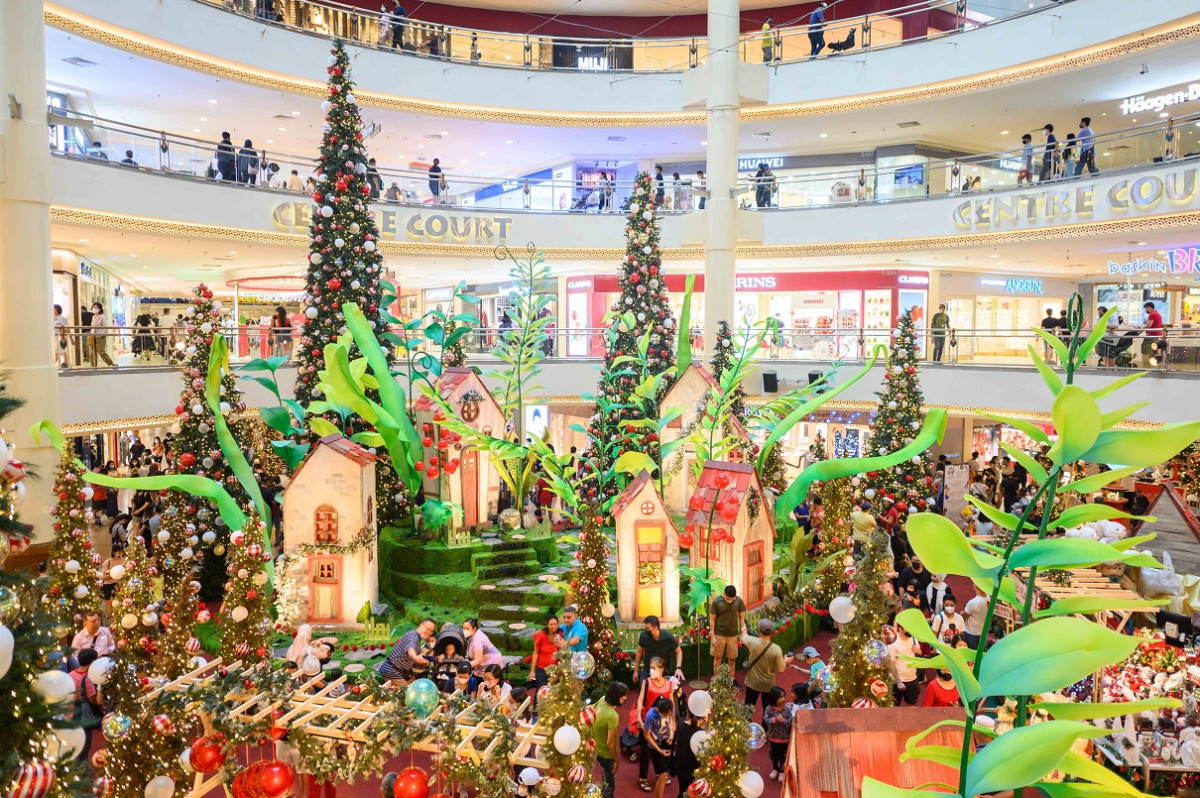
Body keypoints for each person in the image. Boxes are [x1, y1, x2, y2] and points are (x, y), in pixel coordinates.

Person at [633, 657, 677, 792]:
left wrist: (673, 723)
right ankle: (642, 778)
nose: (651, 671)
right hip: (648, 721)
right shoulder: (647, 682)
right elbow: (640, 700)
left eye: (654, 668)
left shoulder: (668, 685)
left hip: (663, 724)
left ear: (661, 670)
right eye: (650, 668)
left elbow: (671, 705)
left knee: (663, 747)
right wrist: (639, 718)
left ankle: (661, 772)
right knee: (645, 752)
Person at [741, 619, 792, 717]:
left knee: (748, 708)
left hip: (753, 682)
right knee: (767, 710)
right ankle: (765, 729)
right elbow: (781, 669)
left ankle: (746, 727)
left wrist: (743, 628)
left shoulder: (753, 642)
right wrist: (786, 661)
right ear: (771, 632)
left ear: (759, 631)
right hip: (768, 684)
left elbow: (744, 637)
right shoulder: (776, 649)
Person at [593, 681, 629, 798]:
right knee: (609, 787)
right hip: (606, 755)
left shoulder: (603, 699)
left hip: (596, 748)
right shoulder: (612, 716)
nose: (625, 699)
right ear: (616, 698)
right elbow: (611, 742)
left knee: (605, 778)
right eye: (623, 698)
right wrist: (616, 760)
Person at [378, 618, 435, 683]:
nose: (429, 632)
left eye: (431, 631)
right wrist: (416, 657)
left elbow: (408, 658)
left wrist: (410, 673)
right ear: (421, 625)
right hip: (393, 672)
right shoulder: (413, 637)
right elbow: (410, 649)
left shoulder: (416, 636)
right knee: (406, 692)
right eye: (427, 629)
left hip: (399, 672)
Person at [709, 585, 747, 676]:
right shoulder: (716, 602)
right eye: (729, 599)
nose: (731, 601)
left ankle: (731, 680)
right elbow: (712, 620)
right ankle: (716, 680)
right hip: (719, 634)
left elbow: (742, 619)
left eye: (733, 599)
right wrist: (713, 636)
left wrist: (743, 631)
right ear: (724, 594)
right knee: (717, 658)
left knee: (732, 659)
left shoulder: (739, 601)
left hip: (733, 635)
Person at [642, 696, 675, 798]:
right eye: (666, 714)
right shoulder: (651, 716)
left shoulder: (669, 709)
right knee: (662, 775)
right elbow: (646, 735)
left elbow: (671, 720)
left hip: (666, 742)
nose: (669, 715)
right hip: (655, 746)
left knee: (663, 775)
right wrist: (659, 750)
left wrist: (671, 734)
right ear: (660, 711)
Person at [634, 616, 683, 682]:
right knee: (644, 689)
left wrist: (678, 668)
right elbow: (639, 651)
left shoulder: (667, 637)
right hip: (648, 671)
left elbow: (678, 651)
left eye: (648, 629)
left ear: (656, 627)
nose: (646, 631)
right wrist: (636, 671)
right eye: (645, 628)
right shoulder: (644, 636)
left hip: (663, 672)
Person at [762, 687, 795, 781]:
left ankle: (781, 770)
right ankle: (775, 768)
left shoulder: (786, 709)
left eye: (784, 696)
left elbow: (791, 721)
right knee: (774, 754)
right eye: (780, 697)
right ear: (774, 698)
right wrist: (775, 719)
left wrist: (783, 720)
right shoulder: (769, 709)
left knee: (783, 755)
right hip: (773, 737)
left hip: (784, 738)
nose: (783, 699)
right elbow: (766, 720)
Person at [463, 618, 503, 689]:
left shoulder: (477, 640)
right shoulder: (473, 636)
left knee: (483, 684)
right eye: (463, 628)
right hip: (482, 664)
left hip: (490, 663)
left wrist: (464, 666)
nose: (465, 630)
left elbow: (477, 660)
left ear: (474, 628)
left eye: (467, 628)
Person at [888, 625, 921, 705]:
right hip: (897, 681)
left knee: (911, 705)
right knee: (893, 707)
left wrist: (918, 651)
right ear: (900, 628)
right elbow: (891, 663)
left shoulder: (913, 638)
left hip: (912, 679)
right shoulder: (893, 642)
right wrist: (898, 682)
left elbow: (919, 652)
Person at [527, 615, 561, 689]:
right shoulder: (540, 635)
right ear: (547, 625)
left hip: (555, 670)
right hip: (542, 670)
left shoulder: (560, 635)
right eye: (551, 624)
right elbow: (535, 653)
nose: (553, 626)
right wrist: (532, 671)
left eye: (555, 624)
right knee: (541, 692)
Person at [89, 301, 115, 368]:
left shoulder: (102, 317)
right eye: (93, 307)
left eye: (96, 307)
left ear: (100, 309)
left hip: (100, 337)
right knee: (92, 352)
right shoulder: (92, 317)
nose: (94, 308)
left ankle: (111, 364)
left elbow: (105, 328)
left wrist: (100, 335)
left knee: (101, 352)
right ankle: (93, 366)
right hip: (92, 337)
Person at [962, 583, 989, 648]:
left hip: (971, 633)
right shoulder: (988, 598)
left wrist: (961, 613)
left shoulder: (973, 602)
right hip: (983, 633)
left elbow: (965, 615)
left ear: (975, 586)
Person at [1142, 301, 1164, 367]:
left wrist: (1142, 328)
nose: (1146, 310)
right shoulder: (1158, 314)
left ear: (1149, 307)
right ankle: (1153, 367)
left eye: (1146, 308)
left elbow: (1149, 325)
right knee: (1154, 352)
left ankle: (1145, 367)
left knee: (1145, 351)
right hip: (1157, 335)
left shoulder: (1152, 314)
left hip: (1151, 335)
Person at [53, 304, 70, 368]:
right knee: (55, 351)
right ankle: (54, 364)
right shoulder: (52, 318)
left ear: (57, 309)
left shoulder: (62, 319)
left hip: (60, 337)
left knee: (63, 351)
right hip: (54, 337)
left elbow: (67, 329)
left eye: (53, 308)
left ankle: (66, 364)